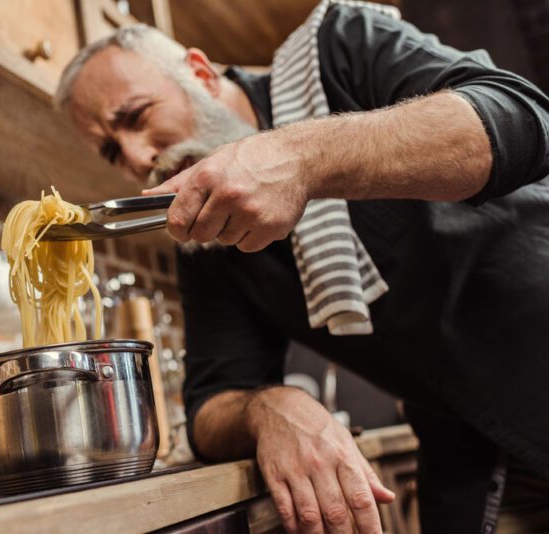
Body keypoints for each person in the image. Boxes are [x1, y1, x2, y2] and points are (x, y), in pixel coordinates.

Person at [54, 1, 549, 532]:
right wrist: (269, 408)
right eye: (110, 151)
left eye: (135, 116)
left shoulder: (340, 42)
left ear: (199, 72)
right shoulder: (204, 240)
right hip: (472, 460)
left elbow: (521, 117)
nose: (134, 156)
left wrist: (302, 158)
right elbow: (210, 401)